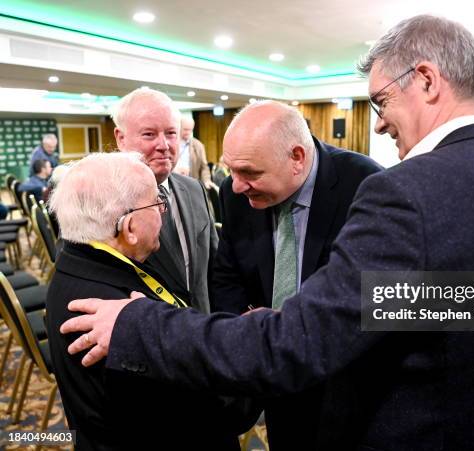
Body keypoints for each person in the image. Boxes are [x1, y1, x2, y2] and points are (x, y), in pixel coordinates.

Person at [62, 15, 474, 450]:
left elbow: (298, 344)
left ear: (426, 80)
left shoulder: (403, 192)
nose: (378, 123)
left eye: (380, 100)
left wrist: (139, 326)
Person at [211, 100, 382, 449]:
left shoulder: (367, 185)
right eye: (231, 171)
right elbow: (225, 274)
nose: (238, 185)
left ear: (297, 158)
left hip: (343, 380)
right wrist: (247, 333)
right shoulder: (235, 193)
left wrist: (295, 327)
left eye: (250, 173)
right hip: (273, 377)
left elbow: (372, 294)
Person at [46, 152, 241, 450]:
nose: (163, 210)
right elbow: (206, 415)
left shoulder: (74, 262)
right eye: (157, 201)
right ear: (130, 228)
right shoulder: (117, 314)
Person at [113, 88, 217, 312]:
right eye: (149, 134)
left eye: (171, 133)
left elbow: (215, 269)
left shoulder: (194, 190)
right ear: (121, 138)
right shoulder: (99, 203)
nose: (164, 145)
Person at [174, 115, 213, 187]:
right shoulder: (172, 143)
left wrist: (207, 180)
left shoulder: (198, 145)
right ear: (179, 127)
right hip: (174, 182)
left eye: (190, 130)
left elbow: (204, 167)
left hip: (191, 184)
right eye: (185, 129)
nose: (188, 132)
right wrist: (175, 170)